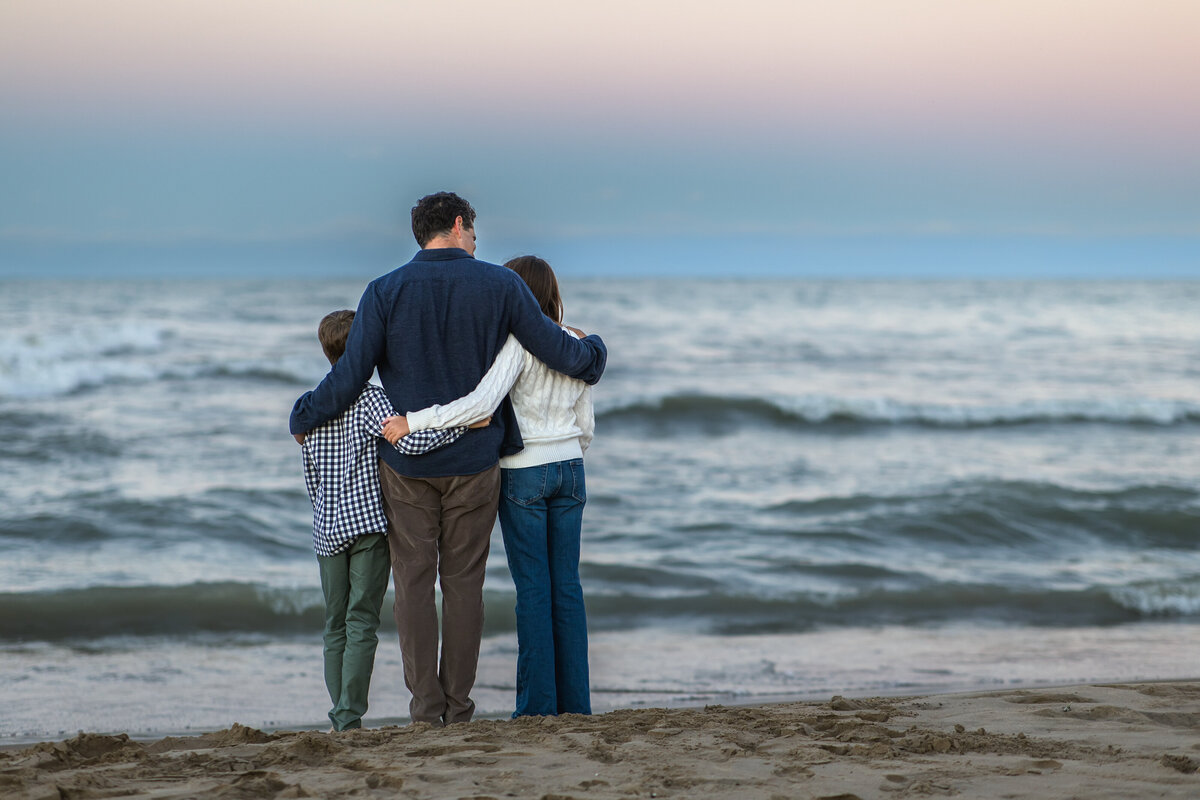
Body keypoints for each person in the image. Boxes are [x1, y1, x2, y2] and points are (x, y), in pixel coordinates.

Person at [289, 192, 606, 726]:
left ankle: (424, 709)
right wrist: (594, 352)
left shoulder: (383, 290)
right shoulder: (501, 284)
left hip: (407, 468)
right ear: (459, 225)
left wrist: (304, 415)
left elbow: (350, 375)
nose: (477, 241)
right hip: (476, 464)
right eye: (475, 230)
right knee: (464, 585)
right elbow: (557, 351)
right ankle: (459, 707)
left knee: (413, 585)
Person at [382, 255, 594, 717]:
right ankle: (576, 705)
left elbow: (480, 405)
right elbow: (586, 424)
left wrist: (415, 421)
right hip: (571, 469)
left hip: (525, 469)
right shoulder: (576, 343)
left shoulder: (517, 345)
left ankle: (537, 707)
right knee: (568, 588)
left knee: (534, 588)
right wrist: (568, 454)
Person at [298, 309, 472, 732]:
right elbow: (408, 442)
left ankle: (341, 713)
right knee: (362, 622)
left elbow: (311, 478)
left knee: (333, 624)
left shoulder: (310, 407)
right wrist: (462, 423)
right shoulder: (370, 398)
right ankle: (346, 716)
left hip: (327, 530)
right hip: (369, 527)